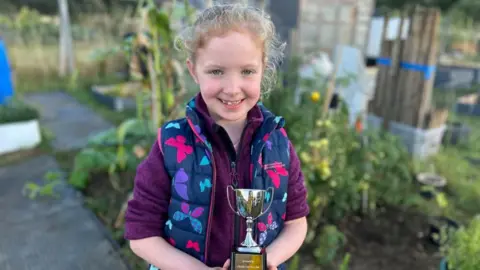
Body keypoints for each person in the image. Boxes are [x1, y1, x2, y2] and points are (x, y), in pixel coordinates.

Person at [124, 4, 309, 270]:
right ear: (193, 70)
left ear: (263, 68)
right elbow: (141, 235)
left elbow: (296, 221)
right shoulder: (171, 143)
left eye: (247, 71)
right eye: (216, 71)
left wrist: (266, 262)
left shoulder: (278, 142)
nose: (233, 89)